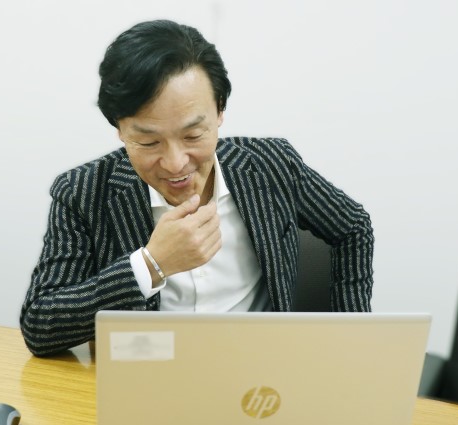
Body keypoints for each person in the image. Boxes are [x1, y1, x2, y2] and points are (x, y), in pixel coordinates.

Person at [20, 19, 373, 356]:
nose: (175, 163)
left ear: (219, 112)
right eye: (149, 142)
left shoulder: (271, 164)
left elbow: (353, 226)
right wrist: (151, 264)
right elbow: (40, 326)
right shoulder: (83, 192)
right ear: (120, 130)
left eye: (192, 135)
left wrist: (349, 338)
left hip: (259, 372)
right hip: (147, 368)